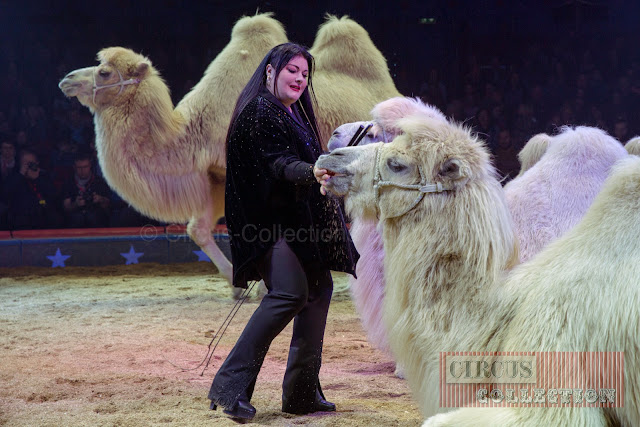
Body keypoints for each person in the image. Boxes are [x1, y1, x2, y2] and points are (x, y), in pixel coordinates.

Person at [207, 42, 359, 421]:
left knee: (318, 290)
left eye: (305, 74)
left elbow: (299, 164)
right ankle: (229, 388)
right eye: (292, 70)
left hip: (296, 225)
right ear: (271, 71)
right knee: (290, 292)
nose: (300, 78)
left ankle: (302, 394)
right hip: (267, 226)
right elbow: (279, 164)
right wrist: (310, 172)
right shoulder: (261, 111)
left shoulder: (291, 114)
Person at [5, 149, 63, 230]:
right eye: (25, 163)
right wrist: (21, 175)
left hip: (42, 212)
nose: (29, 166)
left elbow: (53, 195)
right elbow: (5, 193)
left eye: (31, 163)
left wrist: (37, 179)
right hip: (21, 214)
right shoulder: (14, 176)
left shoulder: (44, 175)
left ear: (37, 163)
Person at [61, 152, 111, 228]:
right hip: (76, 218)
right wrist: (75, 204)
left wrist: (100, 199)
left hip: (96, 217)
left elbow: (108, 206)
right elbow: (65, 207)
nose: (82, 170)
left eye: (85, 167)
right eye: (79, 167)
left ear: (90, 166)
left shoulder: (99, 182)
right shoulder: (68, 182)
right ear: (74, 167)